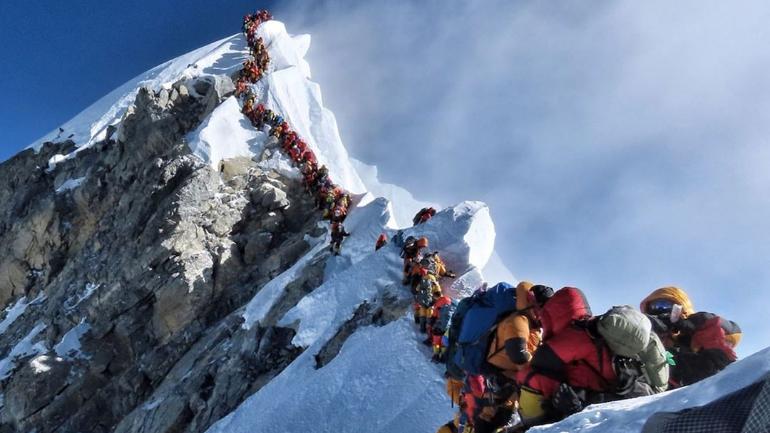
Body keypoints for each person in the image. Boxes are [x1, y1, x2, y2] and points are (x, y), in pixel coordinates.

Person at [640, 286, 742, 387]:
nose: (659, 310)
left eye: (664, 305)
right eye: (653, 307)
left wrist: (702, 321)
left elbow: (733, 333)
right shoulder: (648, 341)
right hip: (666, 390)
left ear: (681, 308)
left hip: (712, 383)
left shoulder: (695, 333)